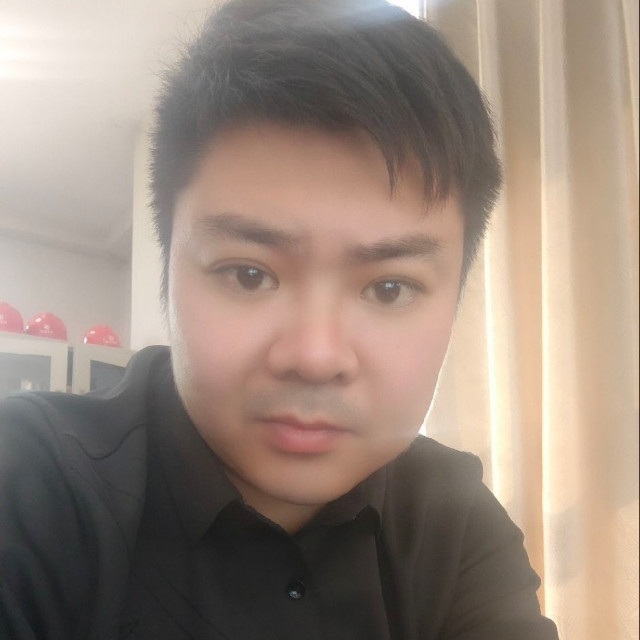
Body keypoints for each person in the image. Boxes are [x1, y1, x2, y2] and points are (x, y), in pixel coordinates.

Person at [0, 0, 559, 638]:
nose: (315, 356)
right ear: (168, 272)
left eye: (389, 288)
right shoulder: (31, 485)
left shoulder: (453, 523)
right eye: (249, 274)